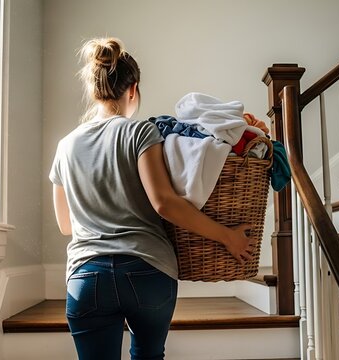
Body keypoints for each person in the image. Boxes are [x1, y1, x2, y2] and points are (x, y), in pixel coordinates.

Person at [49, 37, 255, 360]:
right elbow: (164, 203)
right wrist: (227, 236)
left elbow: (65, 224)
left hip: (86, 277)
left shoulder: (65, 147)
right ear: (132, 89)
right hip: (146, 272)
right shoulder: (140, 132)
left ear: (94, 90)